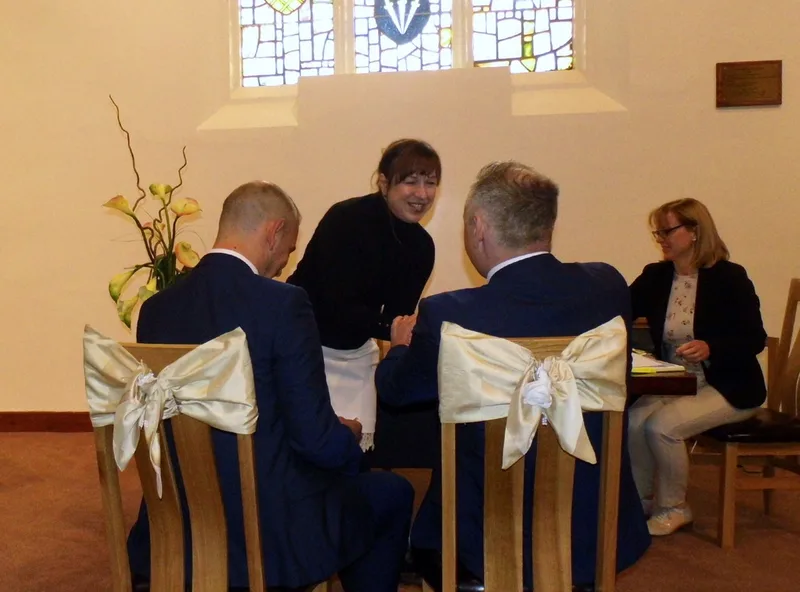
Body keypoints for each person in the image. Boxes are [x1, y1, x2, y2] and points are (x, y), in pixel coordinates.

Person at [375, 162, 651, 590]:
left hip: (476, 538)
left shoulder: (448, 315)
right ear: (547, 223)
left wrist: (398, 346)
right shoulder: (609, 286)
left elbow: (397, 392)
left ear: (479, 227)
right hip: (594, 528)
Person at [127, 181, 414, 592]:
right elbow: (315, 441)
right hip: (268, 532)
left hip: (180, 516)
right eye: (289, 249)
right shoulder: (283, 304)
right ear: (274, 232)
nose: (284, 263)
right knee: (391, 492)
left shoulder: (157, 309)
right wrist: (349, 438)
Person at [287, 139, 440, 451]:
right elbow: (332, 303)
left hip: (356, 354)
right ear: (384, 183)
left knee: (356, 452)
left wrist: (402, 332)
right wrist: (392, 328)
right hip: (303, 348)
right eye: (411, 182)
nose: (422, 194)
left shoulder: (422, 247)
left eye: (431, 183)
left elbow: (396, 316)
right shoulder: (345, 219)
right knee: (305, 451)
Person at [629, 198, 767, 536]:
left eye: (667, 231)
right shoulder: (657, 276)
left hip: (728, 385)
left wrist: (711, 347)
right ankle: (641, 500)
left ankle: (675, 508)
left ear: (694, 231)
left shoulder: (730, 278)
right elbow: (619, 307)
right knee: (633, 420)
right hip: (677, 381)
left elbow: (754, 337)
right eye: (658, 232)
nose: (661, 238)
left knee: (662, 427)